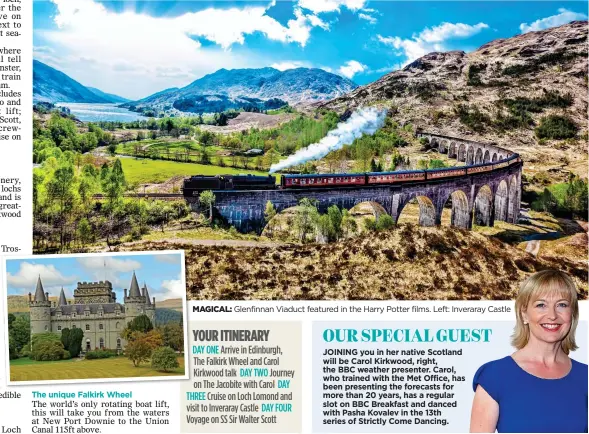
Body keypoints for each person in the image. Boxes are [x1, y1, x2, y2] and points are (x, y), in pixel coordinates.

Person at [470, 269, 588, 433]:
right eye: (541, 305)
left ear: (572, 314)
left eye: (562, 305)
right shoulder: (495, 376)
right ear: (524, 314)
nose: (552, 315)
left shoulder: (585, 377)